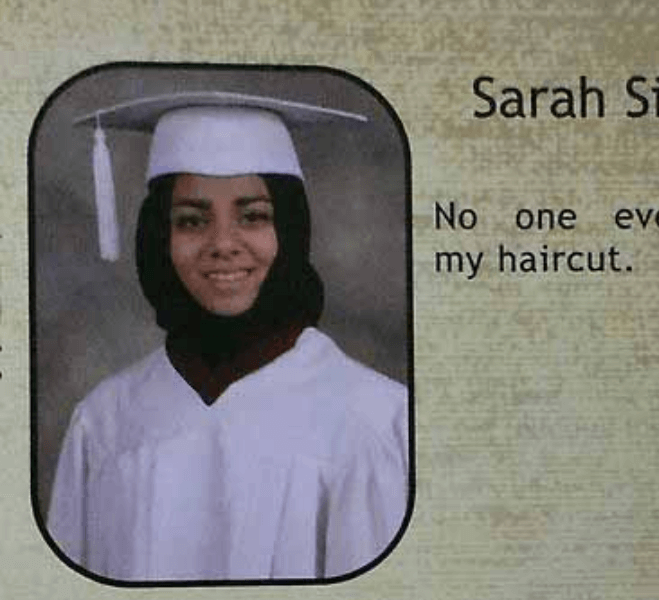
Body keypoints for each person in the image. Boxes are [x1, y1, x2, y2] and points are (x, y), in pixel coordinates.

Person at [46, 92, 409, 582]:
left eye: (253, 215)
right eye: (191, 221)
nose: (222, 245)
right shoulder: (104, 424)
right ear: (160, 237)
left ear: (290, 229)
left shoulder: (376, 421)